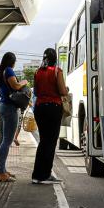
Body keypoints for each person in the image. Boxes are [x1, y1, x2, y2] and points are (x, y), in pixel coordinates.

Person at [31, 47, 69, 185]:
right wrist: (65, 90)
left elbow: (35, 91)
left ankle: (37, 174)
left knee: (43, 141)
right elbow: (63, 91)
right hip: (53, 108)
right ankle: (45, 174)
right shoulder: (57, 72)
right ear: (55, 59)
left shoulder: (37, 72)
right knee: (51, 142)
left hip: (40, 108)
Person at [0, 52, 28, 182]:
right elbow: (16, 86)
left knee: (3, 139)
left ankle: (1, 169)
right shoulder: (8, 70)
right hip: (9, 108)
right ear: (12, 62)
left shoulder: (0, 72)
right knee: (7, 141)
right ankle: (1, 172)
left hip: (2, 106)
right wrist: (24, 82)